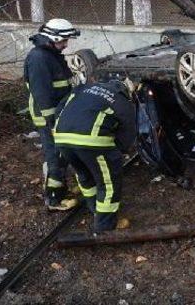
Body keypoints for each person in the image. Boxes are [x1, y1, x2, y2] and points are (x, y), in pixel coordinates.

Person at [54, 79, 137, 232]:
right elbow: (128, 132)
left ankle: (94, 209)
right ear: (126, 91)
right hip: (93, 142)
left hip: (61, 138)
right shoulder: (122, 101)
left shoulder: (83, 89)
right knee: (108, 182)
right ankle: (105, 226)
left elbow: (60, 107)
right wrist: (116, 151)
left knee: (84, 174)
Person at [23, 18, 80, 211]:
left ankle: (60, 187)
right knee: (55, 155)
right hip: (48, 116)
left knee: (62, 152)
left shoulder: (51, 54)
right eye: (63, 41)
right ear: (52, 38)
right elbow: (42, 94)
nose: (65, 45)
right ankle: (53, 198)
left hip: (58, 113)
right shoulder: (39, 58)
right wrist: (51, 120)